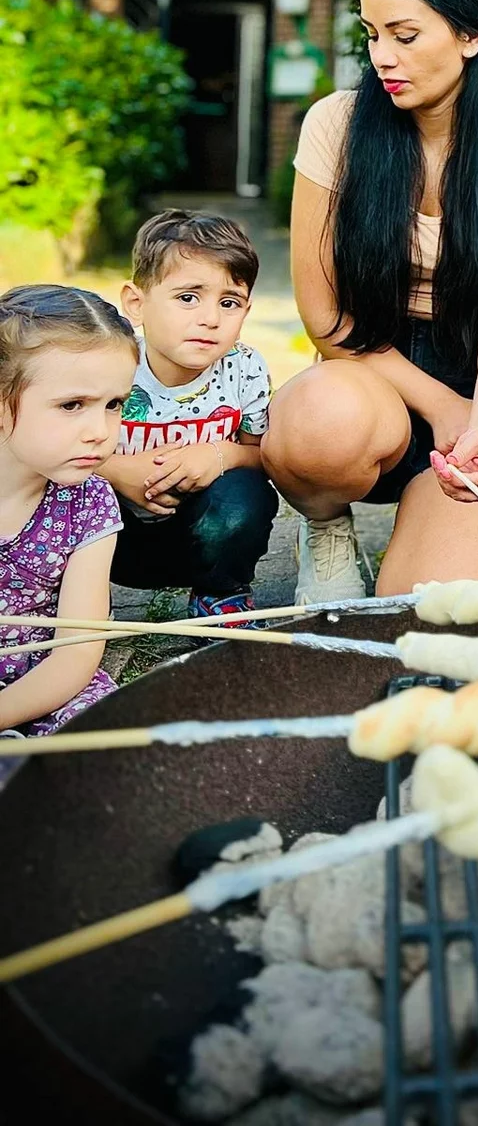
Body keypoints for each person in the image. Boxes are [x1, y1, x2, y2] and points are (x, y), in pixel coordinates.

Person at [263, 0, 478, 599]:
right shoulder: (334, 126)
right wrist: (439, 405)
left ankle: (431, 522)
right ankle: (327, 529)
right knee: (313, 422)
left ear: (469, 36)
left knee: (427, 610)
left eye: (404, 36)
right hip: (365, 372)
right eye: (372, 34)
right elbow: (323, 316)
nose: (382, 56)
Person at [99, 210, 276, 621]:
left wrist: (219, 455)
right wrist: (116, 471)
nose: (210, 319)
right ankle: (74, 595)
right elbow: (48, 449)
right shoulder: (107, 365)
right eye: (188, 298)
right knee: (60, 491)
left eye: (229, 303)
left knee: (247, 493)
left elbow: (265, 455)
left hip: (203, 534)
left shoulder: (244, 369)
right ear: (136, 304)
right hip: (109, 536)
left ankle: (220, 593)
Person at [0, 286, 137, 736]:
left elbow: (76, 655)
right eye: (71, 405)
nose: (99, 431)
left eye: (114, 405)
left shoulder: (89, 503)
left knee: (104, 741)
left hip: (45, 687)